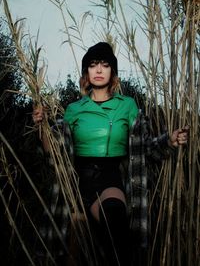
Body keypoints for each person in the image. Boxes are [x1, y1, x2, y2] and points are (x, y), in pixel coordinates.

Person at [33, 42, 189, 265]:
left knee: (115, 222)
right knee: (78, 252)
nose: (98, 70)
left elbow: (144, 149)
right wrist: (42, 128)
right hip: (76, 184)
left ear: (112, 72)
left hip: (110, 179)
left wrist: (170, 140)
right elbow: (54, 154)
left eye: (105, 65)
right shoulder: (74, 109)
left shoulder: (127, 106)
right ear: (86, 71)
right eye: (93, 65)